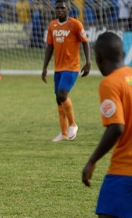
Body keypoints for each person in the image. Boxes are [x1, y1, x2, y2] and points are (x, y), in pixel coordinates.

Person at [82, 32, 132, 218]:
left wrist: (92, 161)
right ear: (123, 53)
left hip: (124, 171)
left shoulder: (110, 83)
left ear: (99, 58)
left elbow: (116, 127)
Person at [41, 0, 91, 142]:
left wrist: (88, 62)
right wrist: (44, 67)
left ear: (68, 9)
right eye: (57, 8)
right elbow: (49, 47)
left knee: (62, 95)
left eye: (62, 8)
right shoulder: (53, 25)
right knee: (58, 99)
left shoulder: (75, 24)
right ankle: (63, 133)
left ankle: (73, 125)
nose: (59, 10)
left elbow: (85, 42)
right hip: (58, 68)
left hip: (72, 67)